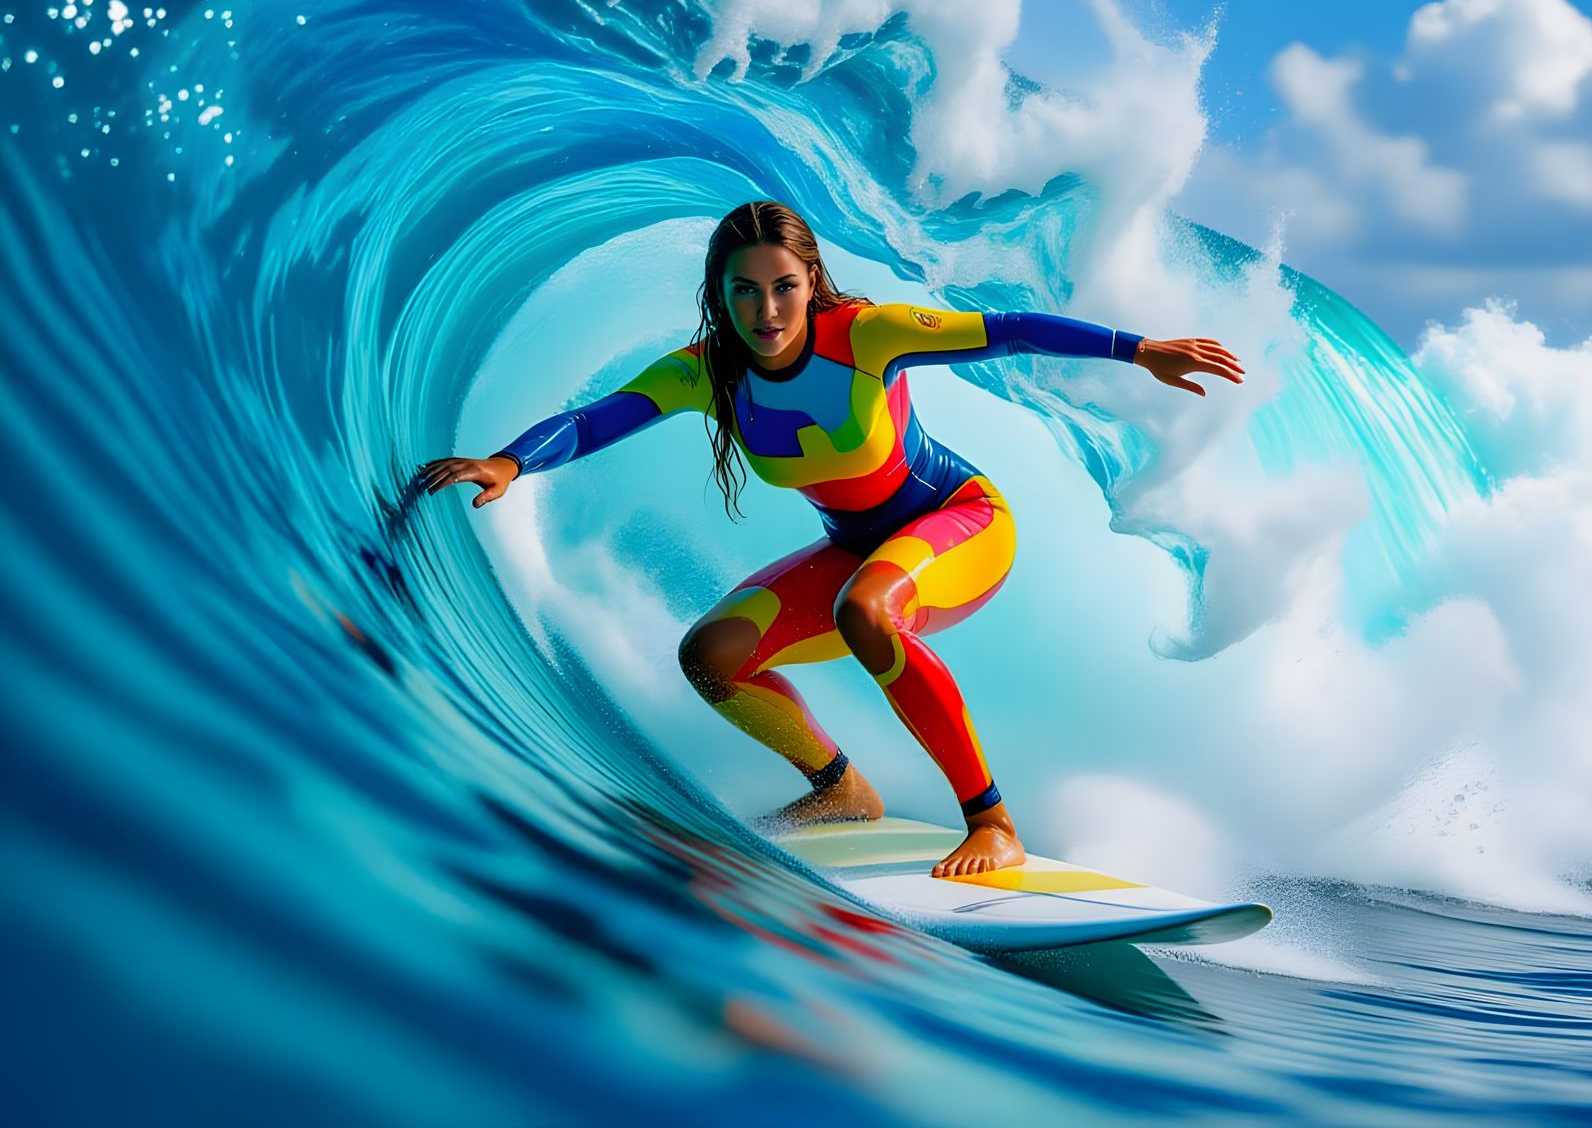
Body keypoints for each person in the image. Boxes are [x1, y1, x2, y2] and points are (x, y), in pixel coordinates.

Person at [418, 200, 1245, 878]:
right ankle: (840, 787)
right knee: (711, 655)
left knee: (868, 610)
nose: (766, 311)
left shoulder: (868, 334)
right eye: (744, 291)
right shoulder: (707, 372)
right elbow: (599, 418)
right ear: (720, 293)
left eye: (782, 287)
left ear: (811, 280)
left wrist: (1140, 350)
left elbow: (1007, 329)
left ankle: (993, 822)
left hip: (960, 522)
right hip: (855, 547)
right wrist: (510, 461)